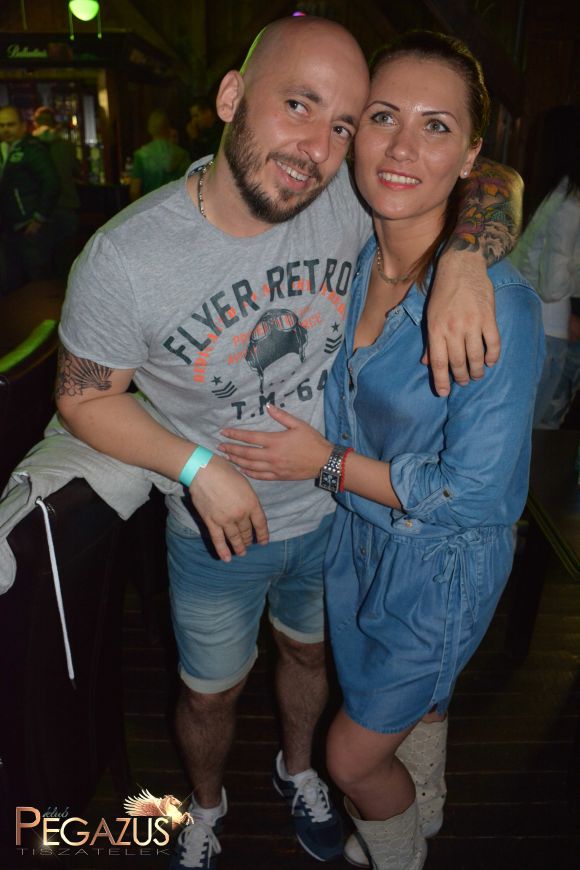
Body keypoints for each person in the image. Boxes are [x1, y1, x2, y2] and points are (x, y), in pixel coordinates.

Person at [55, 16, 522, 870]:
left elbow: (484, 173)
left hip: (336, 524)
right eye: (298, 106)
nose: (316, 149)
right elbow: (83, 396)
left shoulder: (348, 197)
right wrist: (196, 467)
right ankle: (205, 806)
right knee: (210, 693)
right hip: (217, 534)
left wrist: (463, 261)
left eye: (343, 125)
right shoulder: (124, 258)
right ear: (231, 95)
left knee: (309, 660)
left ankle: (299, 770)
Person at [218, 29, 543, 870]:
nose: (402, 147)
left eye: (437, 127)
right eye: (384, 117)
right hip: (355, 540)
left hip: (438, 564)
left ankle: (403, 853)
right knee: (406, 705)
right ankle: (422, 804)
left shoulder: (499, 306)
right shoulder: (356, 249)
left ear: (469, 154)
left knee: (351, 757)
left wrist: (324, 464)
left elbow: (473, 495)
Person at [509, 105, 580, 429]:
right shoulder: (569, 201)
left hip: (529, 322)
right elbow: (553, 285)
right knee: (537, 432)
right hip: (549, 329)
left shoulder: (548, 192)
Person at [0, 105, 60, 294]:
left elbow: (51, 182)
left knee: (37, 280)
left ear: (23, 126)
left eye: (10, 124)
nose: (5, 129)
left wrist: (38, 218)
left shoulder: (32, 149)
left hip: (29, 227)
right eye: (1, 125)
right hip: (9, 227)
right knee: (13, 281)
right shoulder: (5, 149)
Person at [32, 105, 81, 280]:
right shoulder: (67, 146)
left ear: (36, 123)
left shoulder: (31, 147)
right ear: (54, 123)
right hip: (67, 206)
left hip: (41, 212)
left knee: (44, 261)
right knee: (67, 259)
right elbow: (77, 171)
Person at [129, 109, 191, 201]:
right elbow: (189, 187)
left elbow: (134, 191)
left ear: (150, 129)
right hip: (176, 206)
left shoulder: (142, 155)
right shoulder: (183, 154)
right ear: (168, 129)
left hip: (150, 206)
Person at [186, 95, 223, 161]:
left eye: (196, 116)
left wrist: (195, 139)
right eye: (192, 117)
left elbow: (205, 161)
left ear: (208, 113)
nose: (194, 121)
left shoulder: (219, 132)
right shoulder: (204, 134)